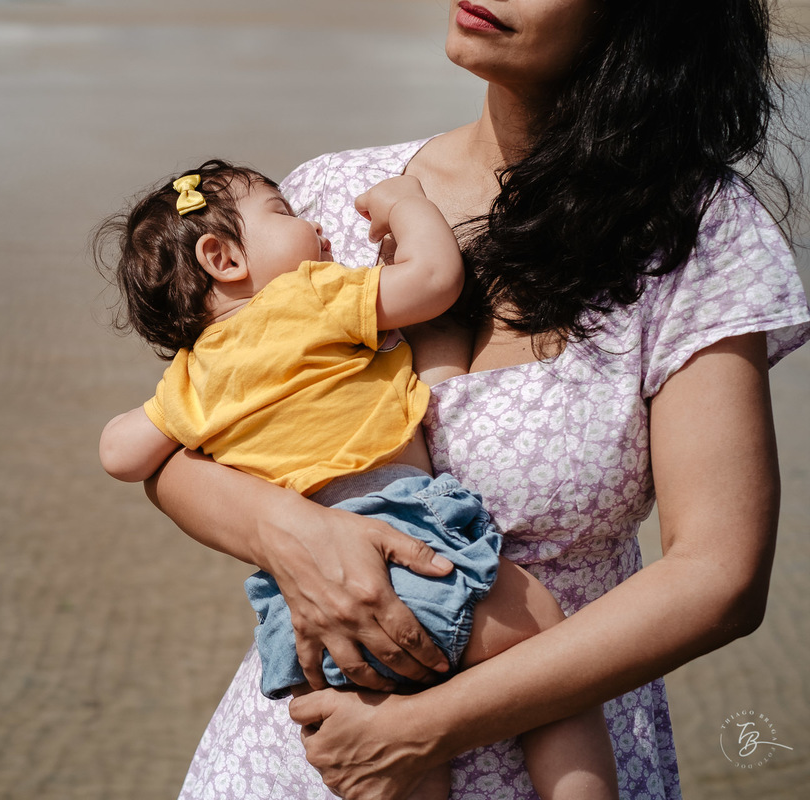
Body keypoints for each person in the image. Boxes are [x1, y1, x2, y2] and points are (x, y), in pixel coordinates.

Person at [141, 1, 810, 798]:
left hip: (555, 766)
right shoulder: (329, 203)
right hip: (302, 761)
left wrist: (419, 732)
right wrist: (288, 531)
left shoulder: (694, 234)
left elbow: (719, 575)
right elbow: (177, 450)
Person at [96, 161, 618, 799]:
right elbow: (433, 280)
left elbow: (121, 455)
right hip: (402, 540)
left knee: (401, 759)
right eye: (284, 214)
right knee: (550, 648)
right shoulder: (310, 294)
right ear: (223, 256)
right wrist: (404, 202)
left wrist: (172, 406)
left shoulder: (190, 377)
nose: (315, 223)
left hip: (304, 608)